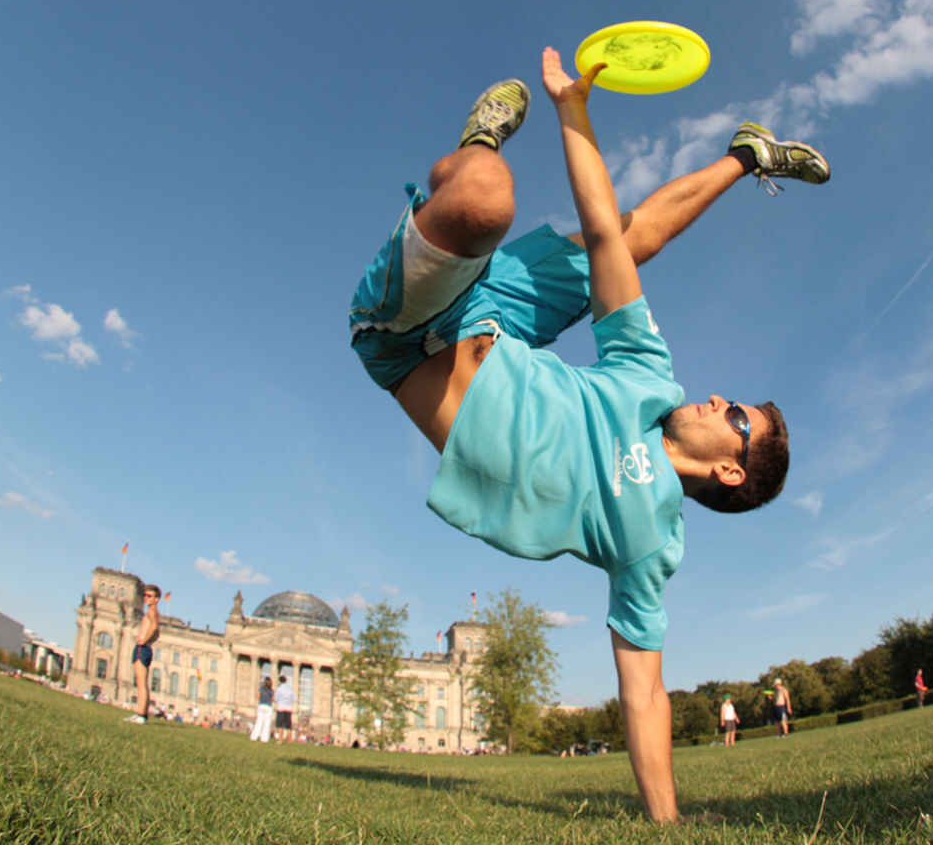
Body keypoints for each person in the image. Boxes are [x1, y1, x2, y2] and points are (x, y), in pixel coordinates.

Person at [348, 49, 827, 823]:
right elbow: (607, 235)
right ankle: (748, 155)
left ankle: (476, 145)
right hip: (504, 316)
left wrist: (666, 823)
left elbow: (643, 688)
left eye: (737, 418)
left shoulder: (648, 542)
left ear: (732, 474)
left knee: (482, 198)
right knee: (631, 244)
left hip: (409, 341)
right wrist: (573, 109)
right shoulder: (650, 379)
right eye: (733, 399)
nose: (717, 398)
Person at [126, 584, 162, 724]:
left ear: (156, 599)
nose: (146, 598)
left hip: (142, 649)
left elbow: (154, 628)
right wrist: (150, 641)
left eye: (150, 596)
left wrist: (143, 640)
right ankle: (141, 714)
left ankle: (141, 715)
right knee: (143, 683)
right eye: (145, 595)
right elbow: (157, 632)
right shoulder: (155, 613)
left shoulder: (152, 613)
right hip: (146, 648)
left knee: (141, 684)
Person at [273, 673, 297, 744]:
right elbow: (295, 700)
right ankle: (289, 740)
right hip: (288, 708)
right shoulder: (290, 689)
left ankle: (280, 739)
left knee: (280, 724)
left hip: (281, 707)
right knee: (288, 725)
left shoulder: (278, 689)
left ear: (280, 681)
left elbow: (276, 699)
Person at [250, 677, 275, 742]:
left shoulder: (260, 689)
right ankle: (264, 738)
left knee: (259, 722)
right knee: (267, 723)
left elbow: (258, 697)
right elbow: (273, 699)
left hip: (261, 705)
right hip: (268, 707)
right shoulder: (271, 690)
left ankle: (254, 737)